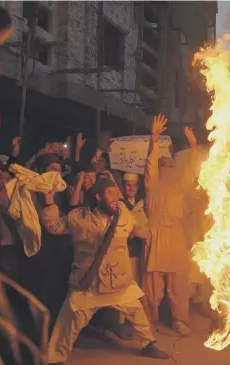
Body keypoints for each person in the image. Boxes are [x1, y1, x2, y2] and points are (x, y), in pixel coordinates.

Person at [40, 178, 170, 364]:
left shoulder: (124, 214)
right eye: (111, 193)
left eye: (117, 193)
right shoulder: (79, 218)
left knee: (137, 312)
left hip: (118, 281)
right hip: (89, 283)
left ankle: (148, 345)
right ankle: (55, 359)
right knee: (68, 322)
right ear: (98, 196)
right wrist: (49, 202)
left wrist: (149, 225)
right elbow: (54, 226)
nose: (116, 197)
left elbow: (140, 230)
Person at [141, 114, 198, 336]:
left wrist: (193, 147)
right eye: (163, 166)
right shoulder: (151, 186)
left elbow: (191, 173)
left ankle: (179, 320)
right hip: (155, 236)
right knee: (152, 285)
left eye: (170, 167)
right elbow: (149, 165)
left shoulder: (179, 187)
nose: (167, 170)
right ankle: (148, 321)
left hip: (175, 236)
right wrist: (154, 139)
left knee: (178, 284)